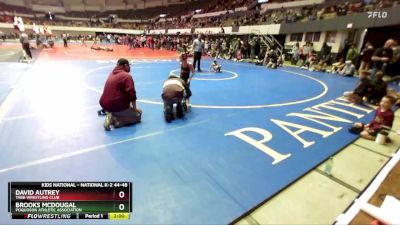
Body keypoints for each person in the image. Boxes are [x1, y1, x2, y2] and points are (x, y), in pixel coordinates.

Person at [99, 58, 142, 131]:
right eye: (129, 65)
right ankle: (114, 120)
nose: (130, 67)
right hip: (115, 104)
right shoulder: (127, 76)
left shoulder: (112, 73)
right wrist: (135, 108)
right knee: (138, 116)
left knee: (125, 107)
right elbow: (131, 93)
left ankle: (110, 112)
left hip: (104, 103)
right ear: (125, 65)